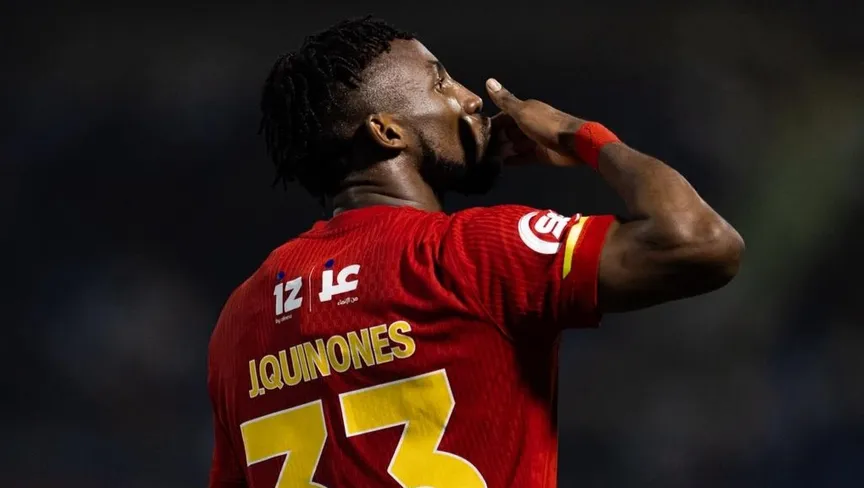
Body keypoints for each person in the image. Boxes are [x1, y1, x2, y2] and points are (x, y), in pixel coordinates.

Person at [207, 16, 744, 488]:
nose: (469, 99)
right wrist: (578, 134)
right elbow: (700, 242)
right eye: (440, 82)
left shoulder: (241, 317)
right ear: (387, 131)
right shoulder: (472, 252)